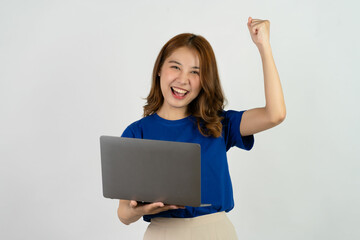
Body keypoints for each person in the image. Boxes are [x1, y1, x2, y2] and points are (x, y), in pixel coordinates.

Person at [117, 16, 286, 240]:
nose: (183, 79)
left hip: (215, 232)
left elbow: (275, 115)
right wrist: (138, 211)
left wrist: (264, 46)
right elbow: (123, 214)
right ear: (159, 69)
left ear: (205, 80)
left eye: (195, 72)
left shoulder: (218, 124)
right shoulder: (136, 133)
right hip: (161, 232)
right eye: (175, 67)